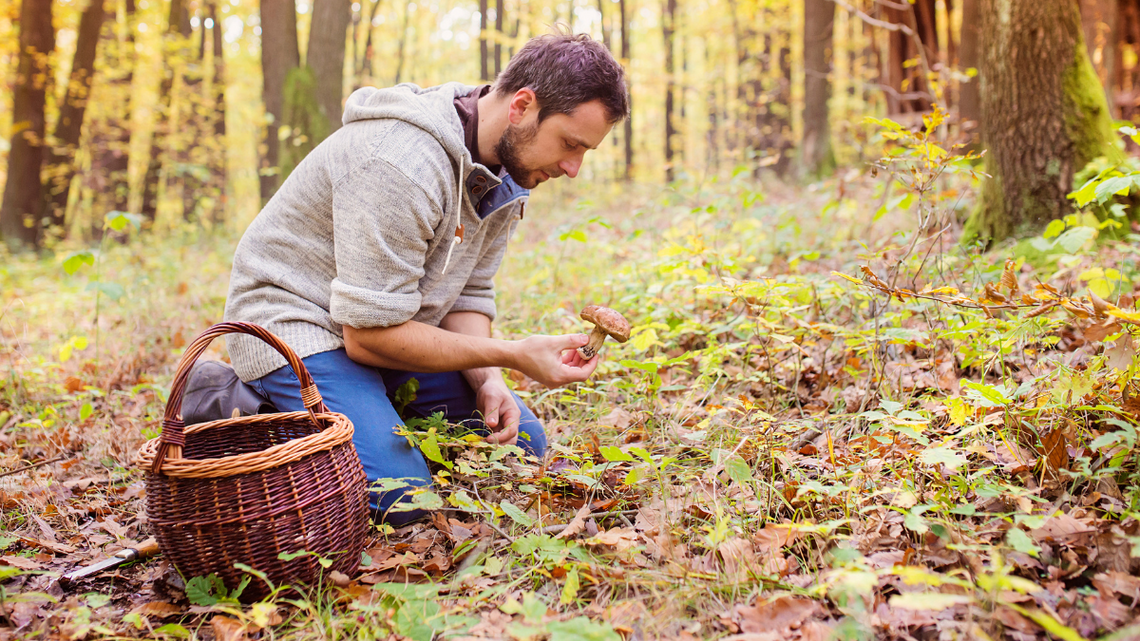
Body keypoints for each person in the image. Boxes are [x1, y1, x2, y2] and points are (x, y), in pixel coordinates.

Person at [214, 32, 629, 524]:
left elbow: (468, 292)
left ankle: (369, 412)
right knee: (403, 498)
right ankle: (251, 412)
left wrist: (489, 379)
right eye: (569, 144)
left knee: (522, 445)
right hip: (296, 328)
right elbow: (369, 337)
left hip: (388, 329)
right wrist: (513, 354)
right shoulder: (399, 164)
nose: (573, 168)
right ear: (522, 105)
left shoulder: (509, 172)